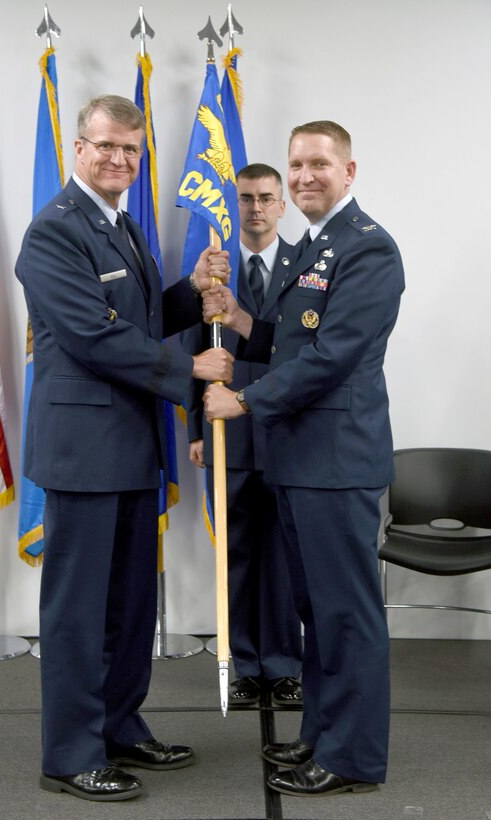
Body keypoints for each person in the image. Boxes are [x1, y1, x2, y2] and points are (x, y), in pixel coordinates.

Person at [15, 94, 233, 803]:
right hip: (84, 450)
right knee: (79, 610)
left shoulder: (124, 225)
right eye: (106, 145)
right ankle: (69, 754)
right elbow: (93, 334)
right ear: (78, 149)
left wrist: (190, 292)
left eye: (130, 150)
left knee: (131, 602)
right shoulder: (54, 231)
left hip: (134, 443)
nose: (118, 159)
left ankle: (118, 725)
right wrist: (189, 367)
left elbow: (136, 316)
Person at [203, 121, 404, 797]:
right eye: (296, 164)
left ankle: (352, 758)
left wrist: (244, 400)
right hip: (299, 461)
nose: (304, 175)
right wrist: (240, 321)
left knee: (346, 615)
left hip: (337, 462)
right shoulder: (313, 247)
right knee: (317, 613)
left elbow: (331, 356)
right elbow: (290, 340)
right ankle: (321, 734)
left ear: (349, 171)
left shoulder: (367, 248)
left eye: (319, 163)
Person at [183, 163, 302, 707]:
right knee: (235, 552)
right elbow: (194, 351)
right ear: (235, 207)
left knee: (283, 554)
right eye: (247, 198)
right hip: (227, 432)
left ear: (282, 205)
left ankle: (284, 664)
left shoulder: (307, 266)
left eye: (266, 198)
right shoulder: (213, 269)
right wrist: (197, 426)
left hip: (286, 430)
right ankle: (246, 664)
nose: (256, 208)